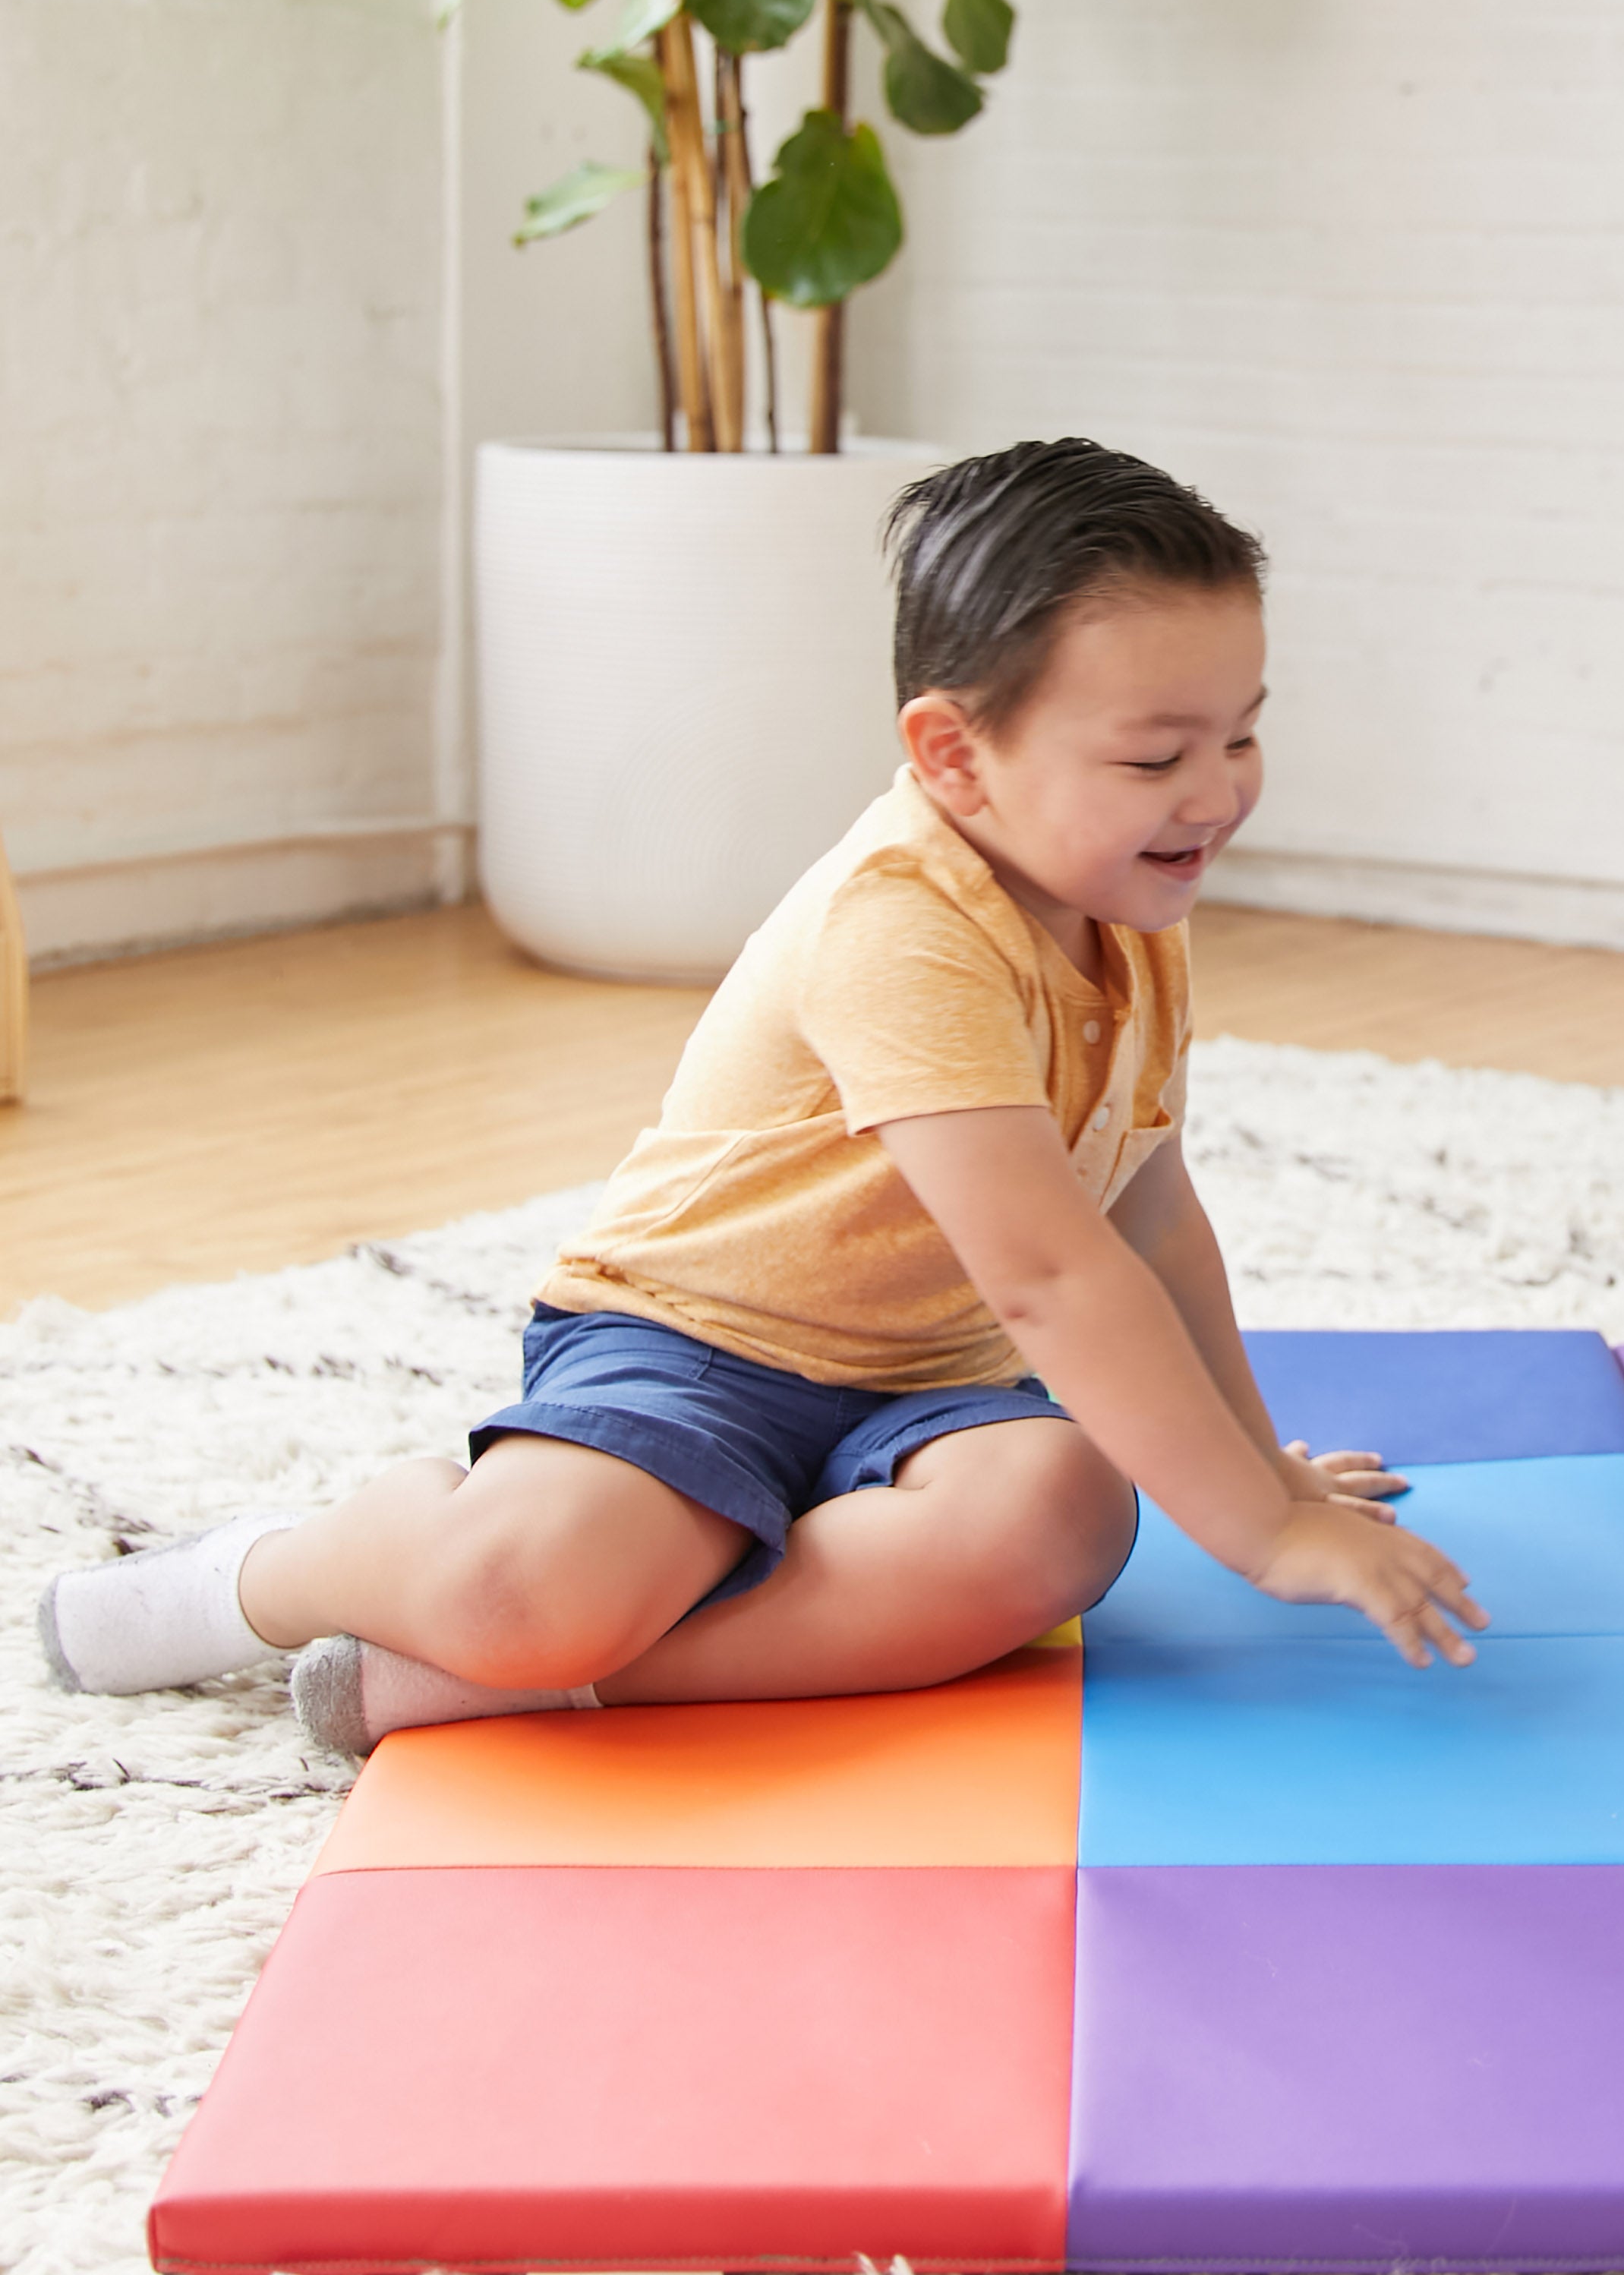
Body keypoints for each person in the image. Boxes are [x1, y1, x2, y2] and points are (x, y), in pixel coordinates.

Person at [41, 441, 1484, 1750]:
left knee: (1064, 1517)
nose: (1217, 792)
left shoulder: (1128, 909)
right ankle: (279, 1573)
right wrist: (1260, 1541)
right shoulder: (904, 926)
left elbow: (1151, 1218)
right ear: (953, 755)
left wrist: (1259, 1471)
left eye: (1240, 733)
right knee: (527, 1586)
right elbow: (1054, 1272)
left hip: (933, 1373)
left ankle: (475, 1686)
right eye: (1158, 756)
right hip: (700, 1341)